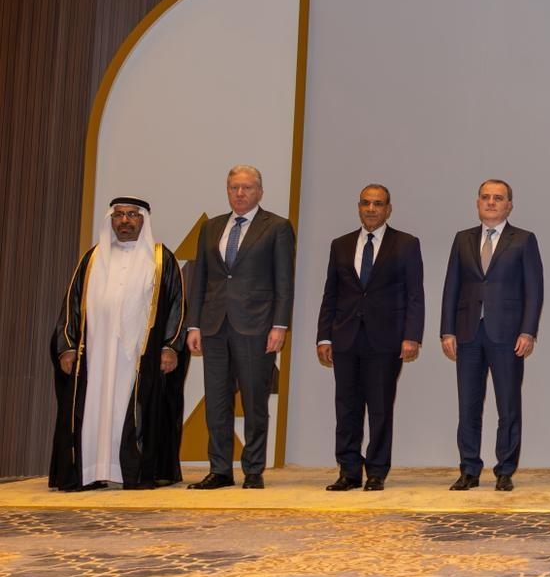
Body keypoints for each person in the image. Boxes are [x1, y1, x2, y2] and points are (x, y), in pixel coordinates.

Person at [50, 197, 187, 491]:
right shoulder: (92, 259)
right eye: (119, 215)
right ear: (111, 220)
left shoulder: (160, 259)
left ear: (144, 220)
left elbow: (177, 304)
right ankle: (92, 471)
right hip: (95, 353)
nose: (125, 220)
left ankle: (131, 472)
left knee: (130, 409)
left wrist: (170, 347)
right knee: (93, 408)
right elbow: (72, 304)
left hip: (138, 356)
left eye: (132, 215)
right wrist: (68, 346)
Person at [186, 165, 295, 490]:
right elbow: (200, 279)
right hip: (214, 326)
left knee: (254, 401)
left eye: (247, 187)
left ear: (259, 191)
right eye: (234, 187)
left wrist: (280, 325)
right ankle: (220, 470)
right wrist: (194, 325)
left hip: (257, 327)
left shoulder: (277, 227)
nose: (240, 193)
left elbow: (284, 281)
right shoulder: (211, 227)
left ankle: (253, 470)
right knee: (217, 402)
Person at [314, 184, 425, 492]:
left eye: (378, 204)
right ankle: (348, 471)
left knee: (379, 408)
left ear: (388, 209)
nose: (371, 209)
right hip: (345, 337)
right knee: (346, 408)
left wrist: (412, 336)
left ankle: (376, 471)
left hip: (386, 340)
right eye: (366, 203)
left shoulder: (406, 243)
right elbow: (330, 294)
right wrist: (324, 337)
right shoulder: (341, 245)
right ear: (359, 207)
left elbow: (415, 294)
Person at [440, 178, 543, 492]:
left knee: (508, 406)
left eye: (498, 198)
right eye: (485, 197)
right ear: (477, 202)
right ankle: (469, 469)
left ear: (509, 205)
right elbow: (451, 286)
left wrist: (528, 331)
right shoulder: (463, 239)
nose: (491, 202)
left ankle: (505, 470)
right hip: (468, 333)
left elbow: (534, 290)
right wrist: (447, 330)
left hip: (508, 335)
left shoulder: (523, 239)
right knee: (468, 406)